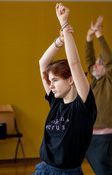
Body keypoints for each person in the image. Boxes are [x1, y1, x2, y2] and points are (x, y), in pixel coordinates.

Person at [32, 3, 97, 175]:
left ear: (70, 80)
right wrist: (60, 40)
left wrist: (64, 23)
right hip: (44, 168)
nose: (50, 85)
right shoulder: (55, 101)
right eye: (50, 80)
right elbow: (42, 63)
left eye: (55, 80)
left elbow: (75, 64)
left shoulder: (82, 106)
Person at [85, 16, 112, 175]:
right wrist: (89, 37)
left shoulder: (109, 80)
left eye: (99, 64)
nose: (94, 65)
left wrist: (99, 35)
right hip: (92, 135)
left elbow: (109, 61)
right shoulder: (95, 80)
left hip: (105, 136)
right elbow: (89, 60)